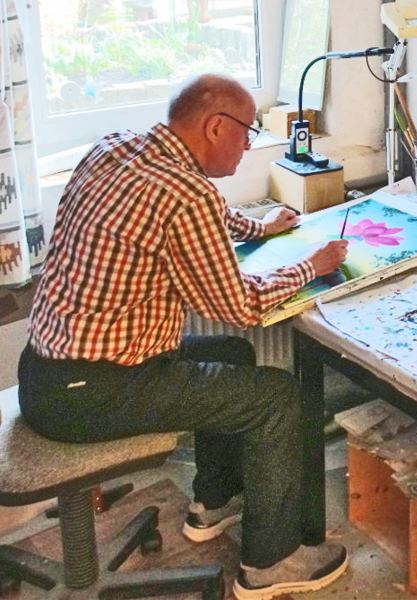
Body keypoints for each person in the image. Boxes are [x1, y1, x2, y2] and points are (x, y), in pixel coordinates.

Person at [18, 73, 350, 599]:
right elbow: (239, 304)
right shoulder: (183, 193)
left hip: (45, 372)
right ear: (216, 127)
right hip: (92, 391)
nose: (249, 146)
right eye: (247, 134)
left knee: (233, 356)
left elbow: (205, 214)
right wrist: (312, 264)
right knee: (275, 397)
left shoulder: (118, 147)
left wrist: (260, 228)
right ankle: (270, 563)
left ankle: (213, 502)